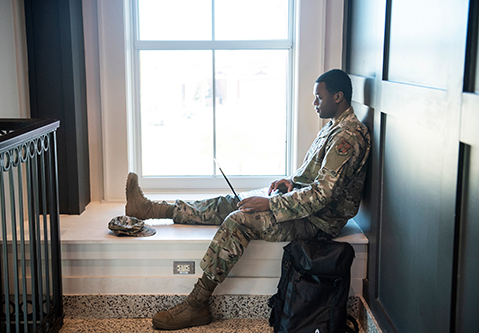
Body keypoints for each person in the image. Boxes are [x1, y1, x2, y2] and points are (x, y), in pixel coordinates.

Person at [125, 69, 371, 330]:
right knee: (235, 201)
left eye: (319, 97)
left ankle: (197, 304)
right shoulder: (333, 128)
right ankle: (151, 209)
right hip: (304, 207)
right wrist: (290, 182)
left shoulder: (348, 136)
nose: (315, 103)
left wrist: (271, 204)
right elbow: (314, 179)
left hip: (320, 222)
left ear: (339, 96)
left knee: (239, 220)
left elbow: (323, 194)